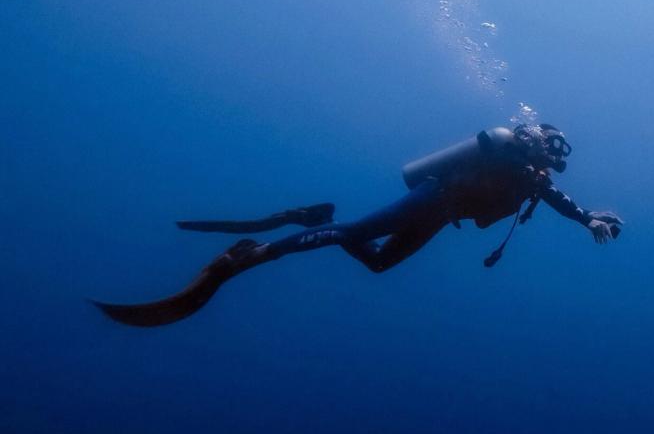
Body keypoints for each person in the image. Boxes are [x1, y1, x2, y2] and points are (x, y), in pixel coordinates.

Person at [93, 124, 623, 327]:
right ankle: (248, 257)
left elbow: (557, 198)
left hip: (444, 216)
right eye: (550, 149)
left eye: (555, 155)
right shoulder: (512, 152)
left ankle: (317, 218)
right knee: (354, 236)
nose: (553, 160)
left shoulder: (535, 179)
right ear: (536, 141)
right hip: (435, 196)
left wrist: (587, 219)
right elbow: (504, 157)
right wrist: (522, 152)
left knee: (377, 264)